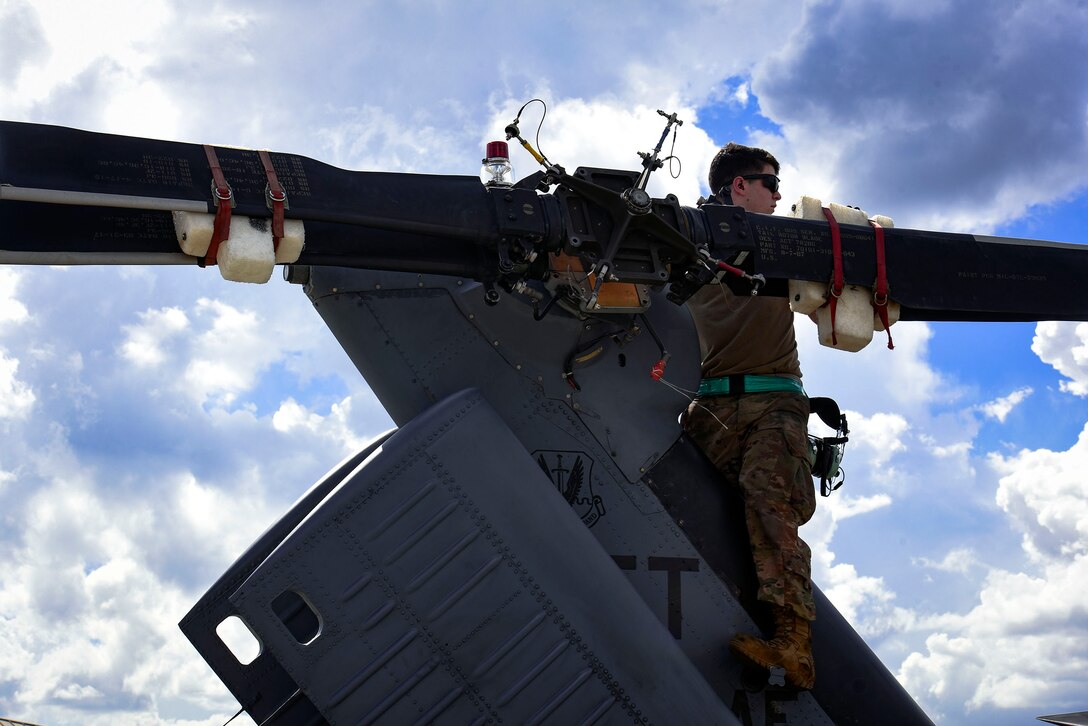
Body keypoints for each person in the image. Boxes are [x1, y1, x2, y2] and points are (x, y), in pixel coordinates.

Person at [682, 142, 817, 689]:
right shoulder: (683, 241)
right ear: (738, 187)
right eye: (769, 183)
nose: (779, 194)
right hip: (712, 411)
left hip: (773, 403)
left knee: (768, 502)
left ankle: (795, 646)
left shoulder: (783, 247)